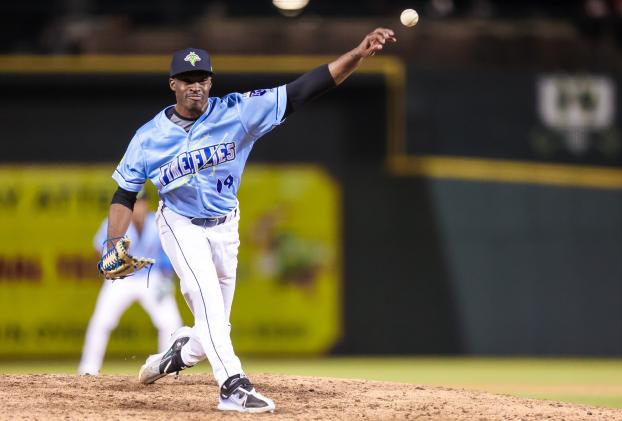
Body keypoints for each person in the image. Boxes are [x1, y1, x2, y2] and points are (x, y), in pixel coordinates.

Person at [103, 27, 396, 413]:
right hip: (180, 223)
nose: (196, 86)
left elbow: (303, 89)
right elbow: (125, 193)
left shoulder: (237, 112)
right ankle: (233, 387)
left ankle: (177, 356)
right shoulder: (147, 138)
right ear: (173, 84)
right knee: (207, 302)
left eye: (202, 78)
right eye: (188, 80)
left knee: (213, 326)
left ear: (210, 82)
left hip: (226, 225)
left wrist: (357, 54)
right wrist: (113, 243)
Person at [79, 190, 182, 375]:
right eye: (133, 203)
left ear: (146, 205)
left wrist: (167, 276)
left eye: (140, 202)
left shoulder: (157, 222)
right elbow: (98, 248)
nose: (137, 207)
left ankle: (167, 369)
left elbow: (168, 252)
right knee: (101, 321)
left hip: (151, 278)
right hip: (121, 279)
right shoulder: (116, 222)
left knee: (171, 321)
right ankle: (88, 370)